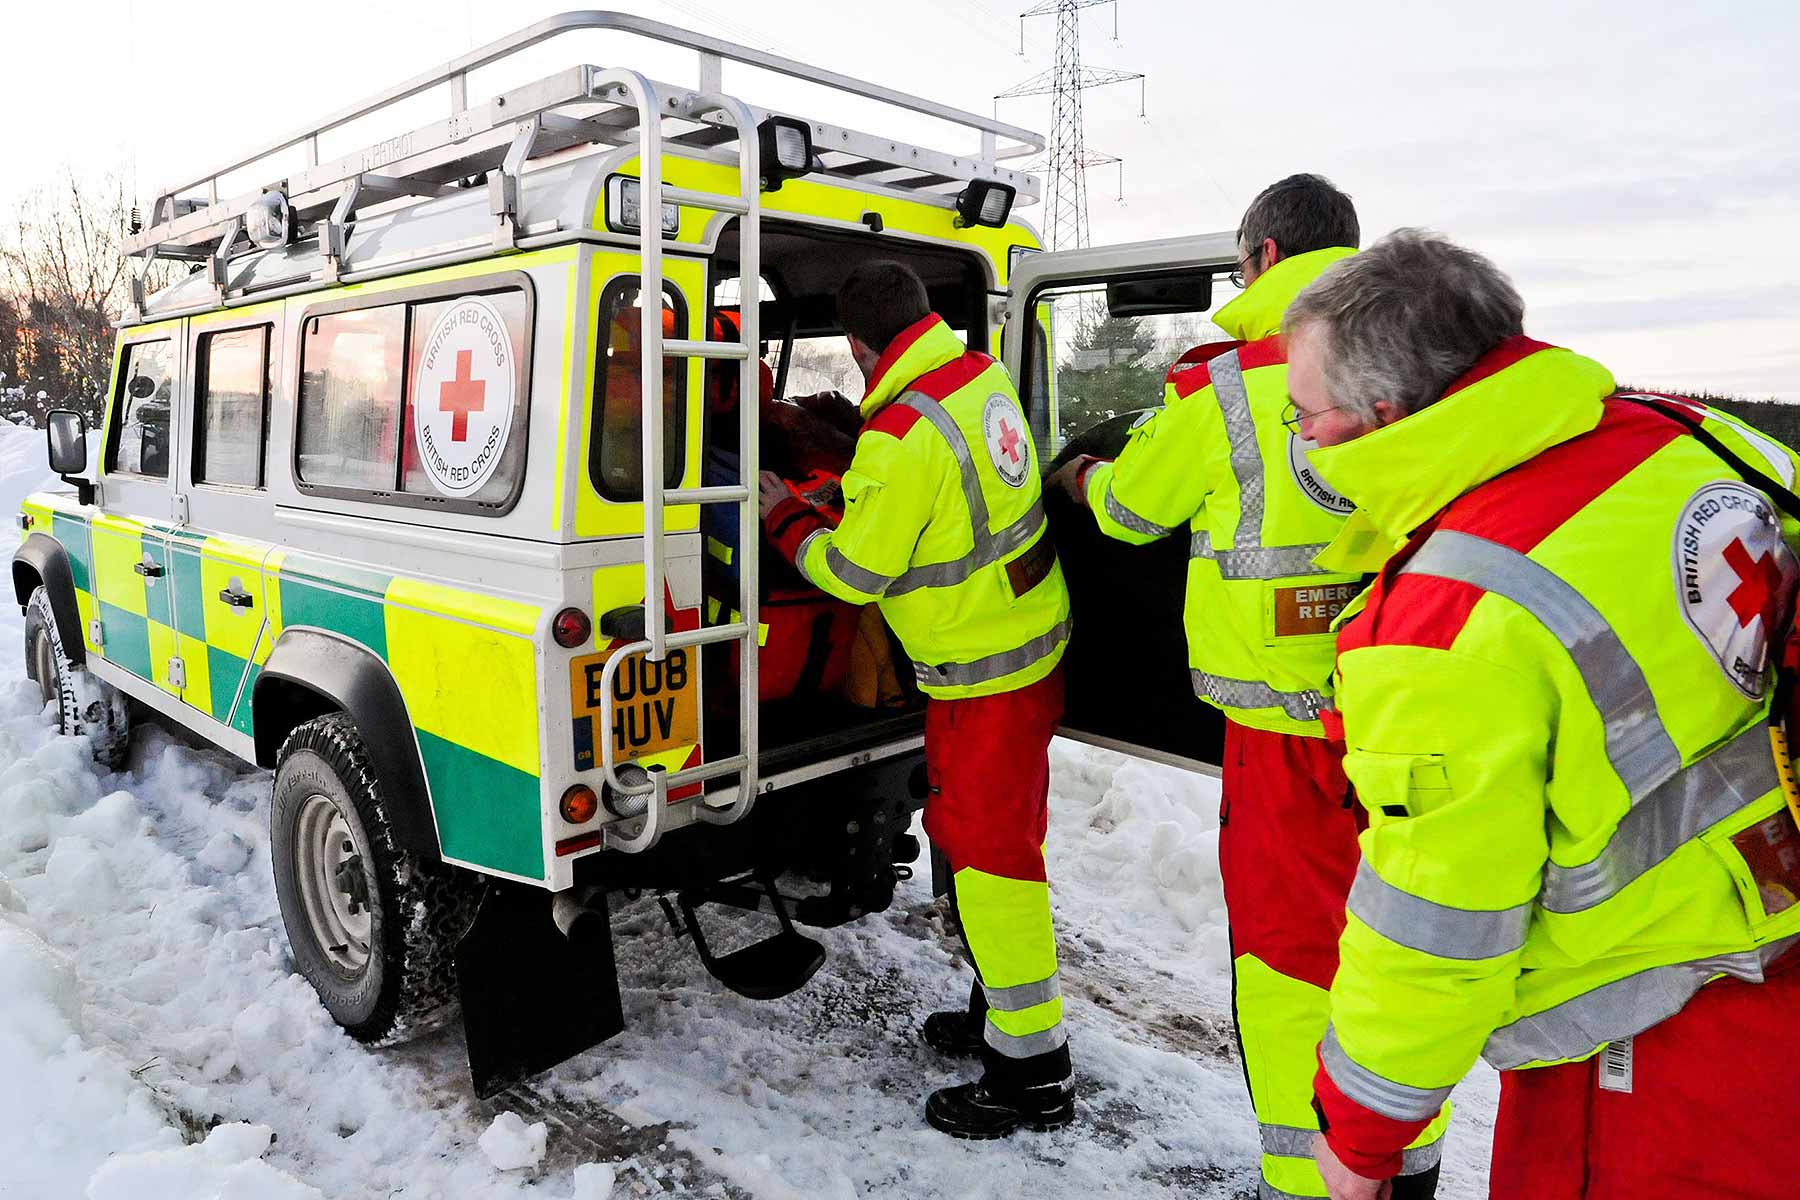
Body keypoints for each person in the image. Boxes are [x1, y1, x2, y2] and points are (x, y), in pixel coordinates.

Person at [1282, 229, 1800, 1199]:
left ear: (1381, 415)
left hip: (1643, 1040)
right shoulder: (1707, 438)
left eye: (1303, 412)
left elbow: (1435, 927)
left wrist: (1360, 1137)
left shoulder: (1448, 619)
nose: (1299, 434)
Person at [1049, 175, 1448, 1199]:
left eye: (1238, 264)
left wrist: (1084, 476)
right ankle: (1413, 1166)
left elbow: (1135, 515)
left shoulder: (1225, 386)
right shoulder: (1435, 364)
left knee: (1284, 966)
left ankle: (1304, 1181)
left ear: (1265, 256)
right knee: (1403, 947)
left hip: (1284, 742)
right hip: (1415, 716)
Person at [757, 260, 1074, 1139]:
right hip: (1026, 650)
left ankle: (1032, 1073)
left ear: (859, 348)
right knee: (994, 846)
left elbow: (856, 572)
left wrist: (783, 512)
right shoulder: (980, 378)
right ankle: (997, 1013)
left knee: (991, 862)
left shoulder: (900, 436)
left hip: (983, 678)